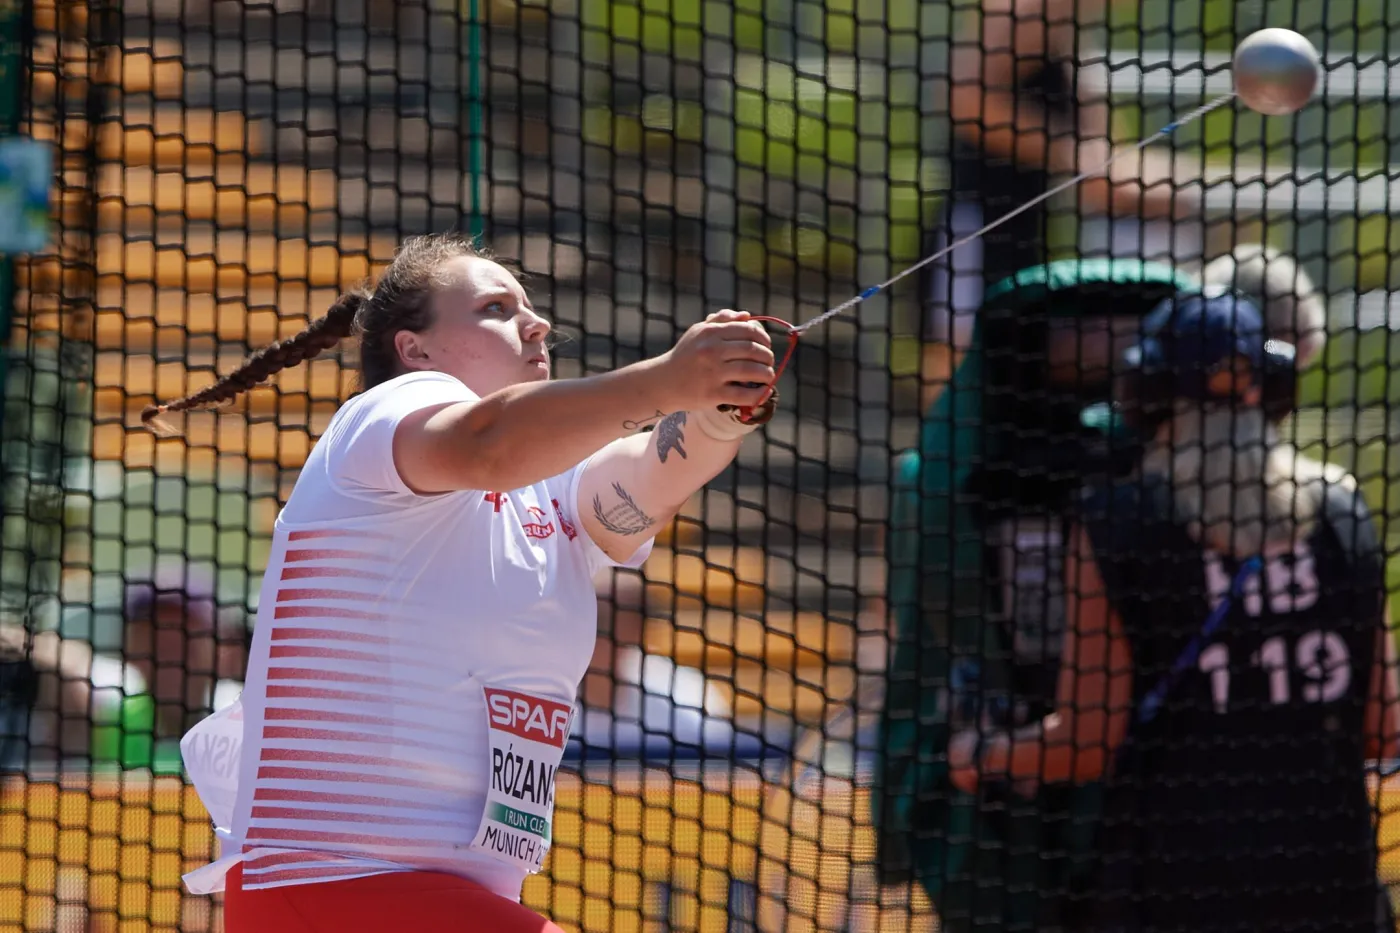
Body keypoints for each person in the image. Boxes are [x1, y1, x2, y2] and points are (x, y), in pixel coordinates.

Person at [146, 233, 781, 933]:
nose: (536, 323)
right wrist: (669, 379)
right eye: (496, 307)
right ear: (414, 348)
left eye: (530, 307)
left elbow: (644, 480)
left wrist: (719, 412)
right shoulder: (381, 417)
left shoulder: (551, 486)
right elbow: (490, 443)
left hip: (436, 902)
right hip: (334, 889)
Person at [946, 289, 1399, 932]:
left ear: (1146, 392)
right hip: (1330, 885)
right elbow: (1383, 729)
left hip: (1175, 891)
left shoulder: (1117, 520)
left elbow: (1085, 746)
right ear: (1269, 384)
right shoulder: (1341, 511)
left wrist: (983, 754)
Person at [924, 0, 1203, 402]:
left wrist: (1201, 180)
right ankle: (938, 461)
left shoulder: (1070, 38)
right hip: (976, 225)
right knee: (958, 356)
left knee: (1009, 360)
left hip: (1028, 233)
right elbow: (968, 100)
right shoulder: (1019, 14)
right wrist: (1066, 152)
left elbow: (1106, 161)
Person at [0, 559, 245, 775]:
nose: (170, 654)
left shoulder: (239, 716)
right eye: (155, 640)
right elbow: (68, 664)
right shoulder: (118, 706)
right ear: (130, 648)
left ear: (219, 648)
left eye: (184, 639)